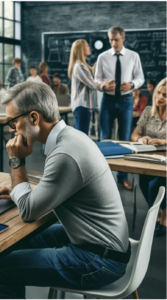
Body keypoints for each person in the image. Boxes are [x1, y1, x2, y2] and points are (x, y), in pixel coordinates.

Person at [0, 82, 130, 298]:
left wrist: (16, 160)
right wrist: (18, 191)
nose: (11, 129)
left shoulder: (65, 154)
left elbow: (27, 212)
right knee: (12, 243)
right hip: (99, 243)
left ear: (34, 118)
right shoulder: (71, 137)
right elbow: (43, 197)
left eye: (13, 121)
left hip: (99, 259)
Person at [95, 26, 144, 190]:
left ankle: (122, 177)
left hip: (126, 101)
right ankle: (104, 176)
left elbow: (140, 78)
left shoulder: (133, 56)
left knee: (124, 139)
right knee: (105, 139)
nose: (113, 43)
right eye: (110, 39)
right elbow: (97, 81)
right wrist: (103, 86)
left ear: (123, 39)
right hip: (107, 101)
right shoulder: (102, 57)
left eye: (116, 39)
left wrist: (132, 84)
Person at [131, 78, 166, 236]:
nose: (159, 97)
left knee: (155, 186)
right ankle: (157, 213)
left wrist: (164, 141)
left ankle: (163, 218)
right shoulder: (148, 111)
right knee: (143, 182)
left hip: (165, 163)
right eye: (158, 92)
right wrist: (140, 139)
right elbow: (134, 134)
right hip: (148, 159)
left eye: (165, 95)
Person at [68, 40, 114, 135]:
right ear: (81, 49)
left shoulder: (82, 66)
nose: (89, 47)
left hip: (82, 107)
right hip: (82, 106)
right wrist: (105, 85)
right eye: (87, 46)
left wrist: (94, 69)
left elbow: (91, 80)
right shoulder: (79, 66)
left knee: (81, 136)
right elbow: (92, 84)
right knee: (82, 137)